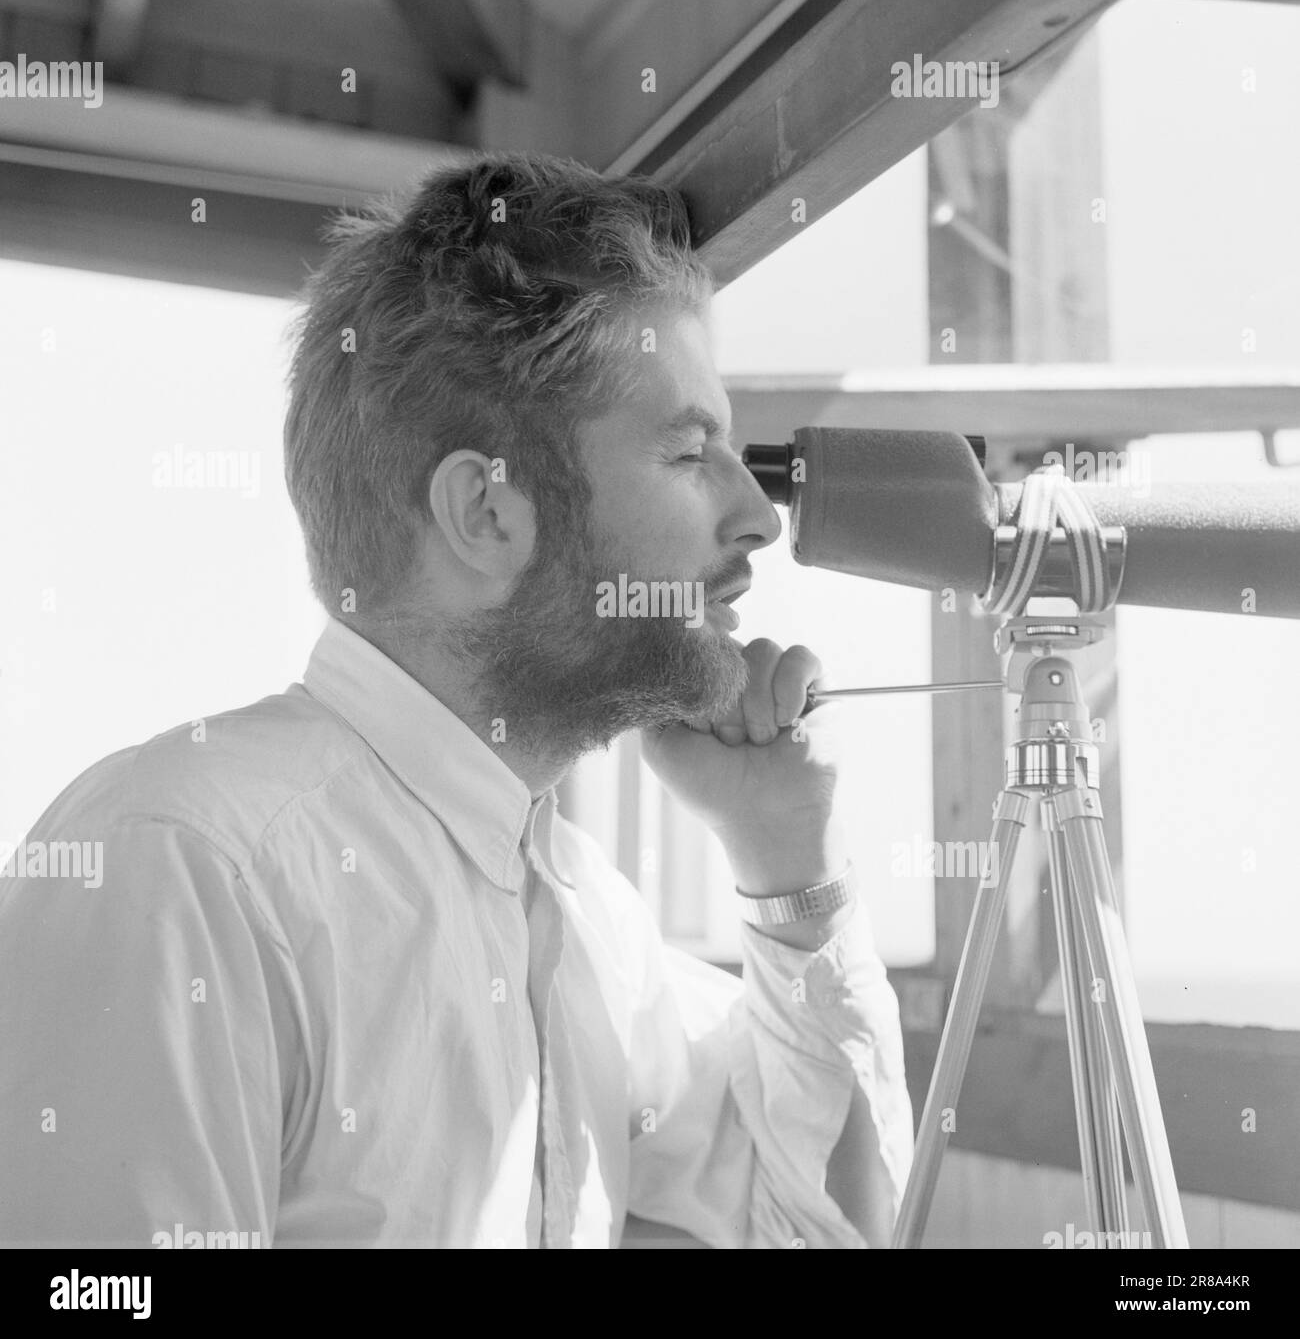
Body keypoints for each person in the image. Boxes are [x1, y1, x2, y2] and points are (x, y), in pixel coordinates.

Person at [0, 152, 912, 1248]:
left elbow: (816, 1230)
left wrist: (788, 859)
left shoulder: (588, 918)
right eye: (687, 450)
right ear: (486, 511)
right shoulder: (186, 865)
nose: (757, 516)